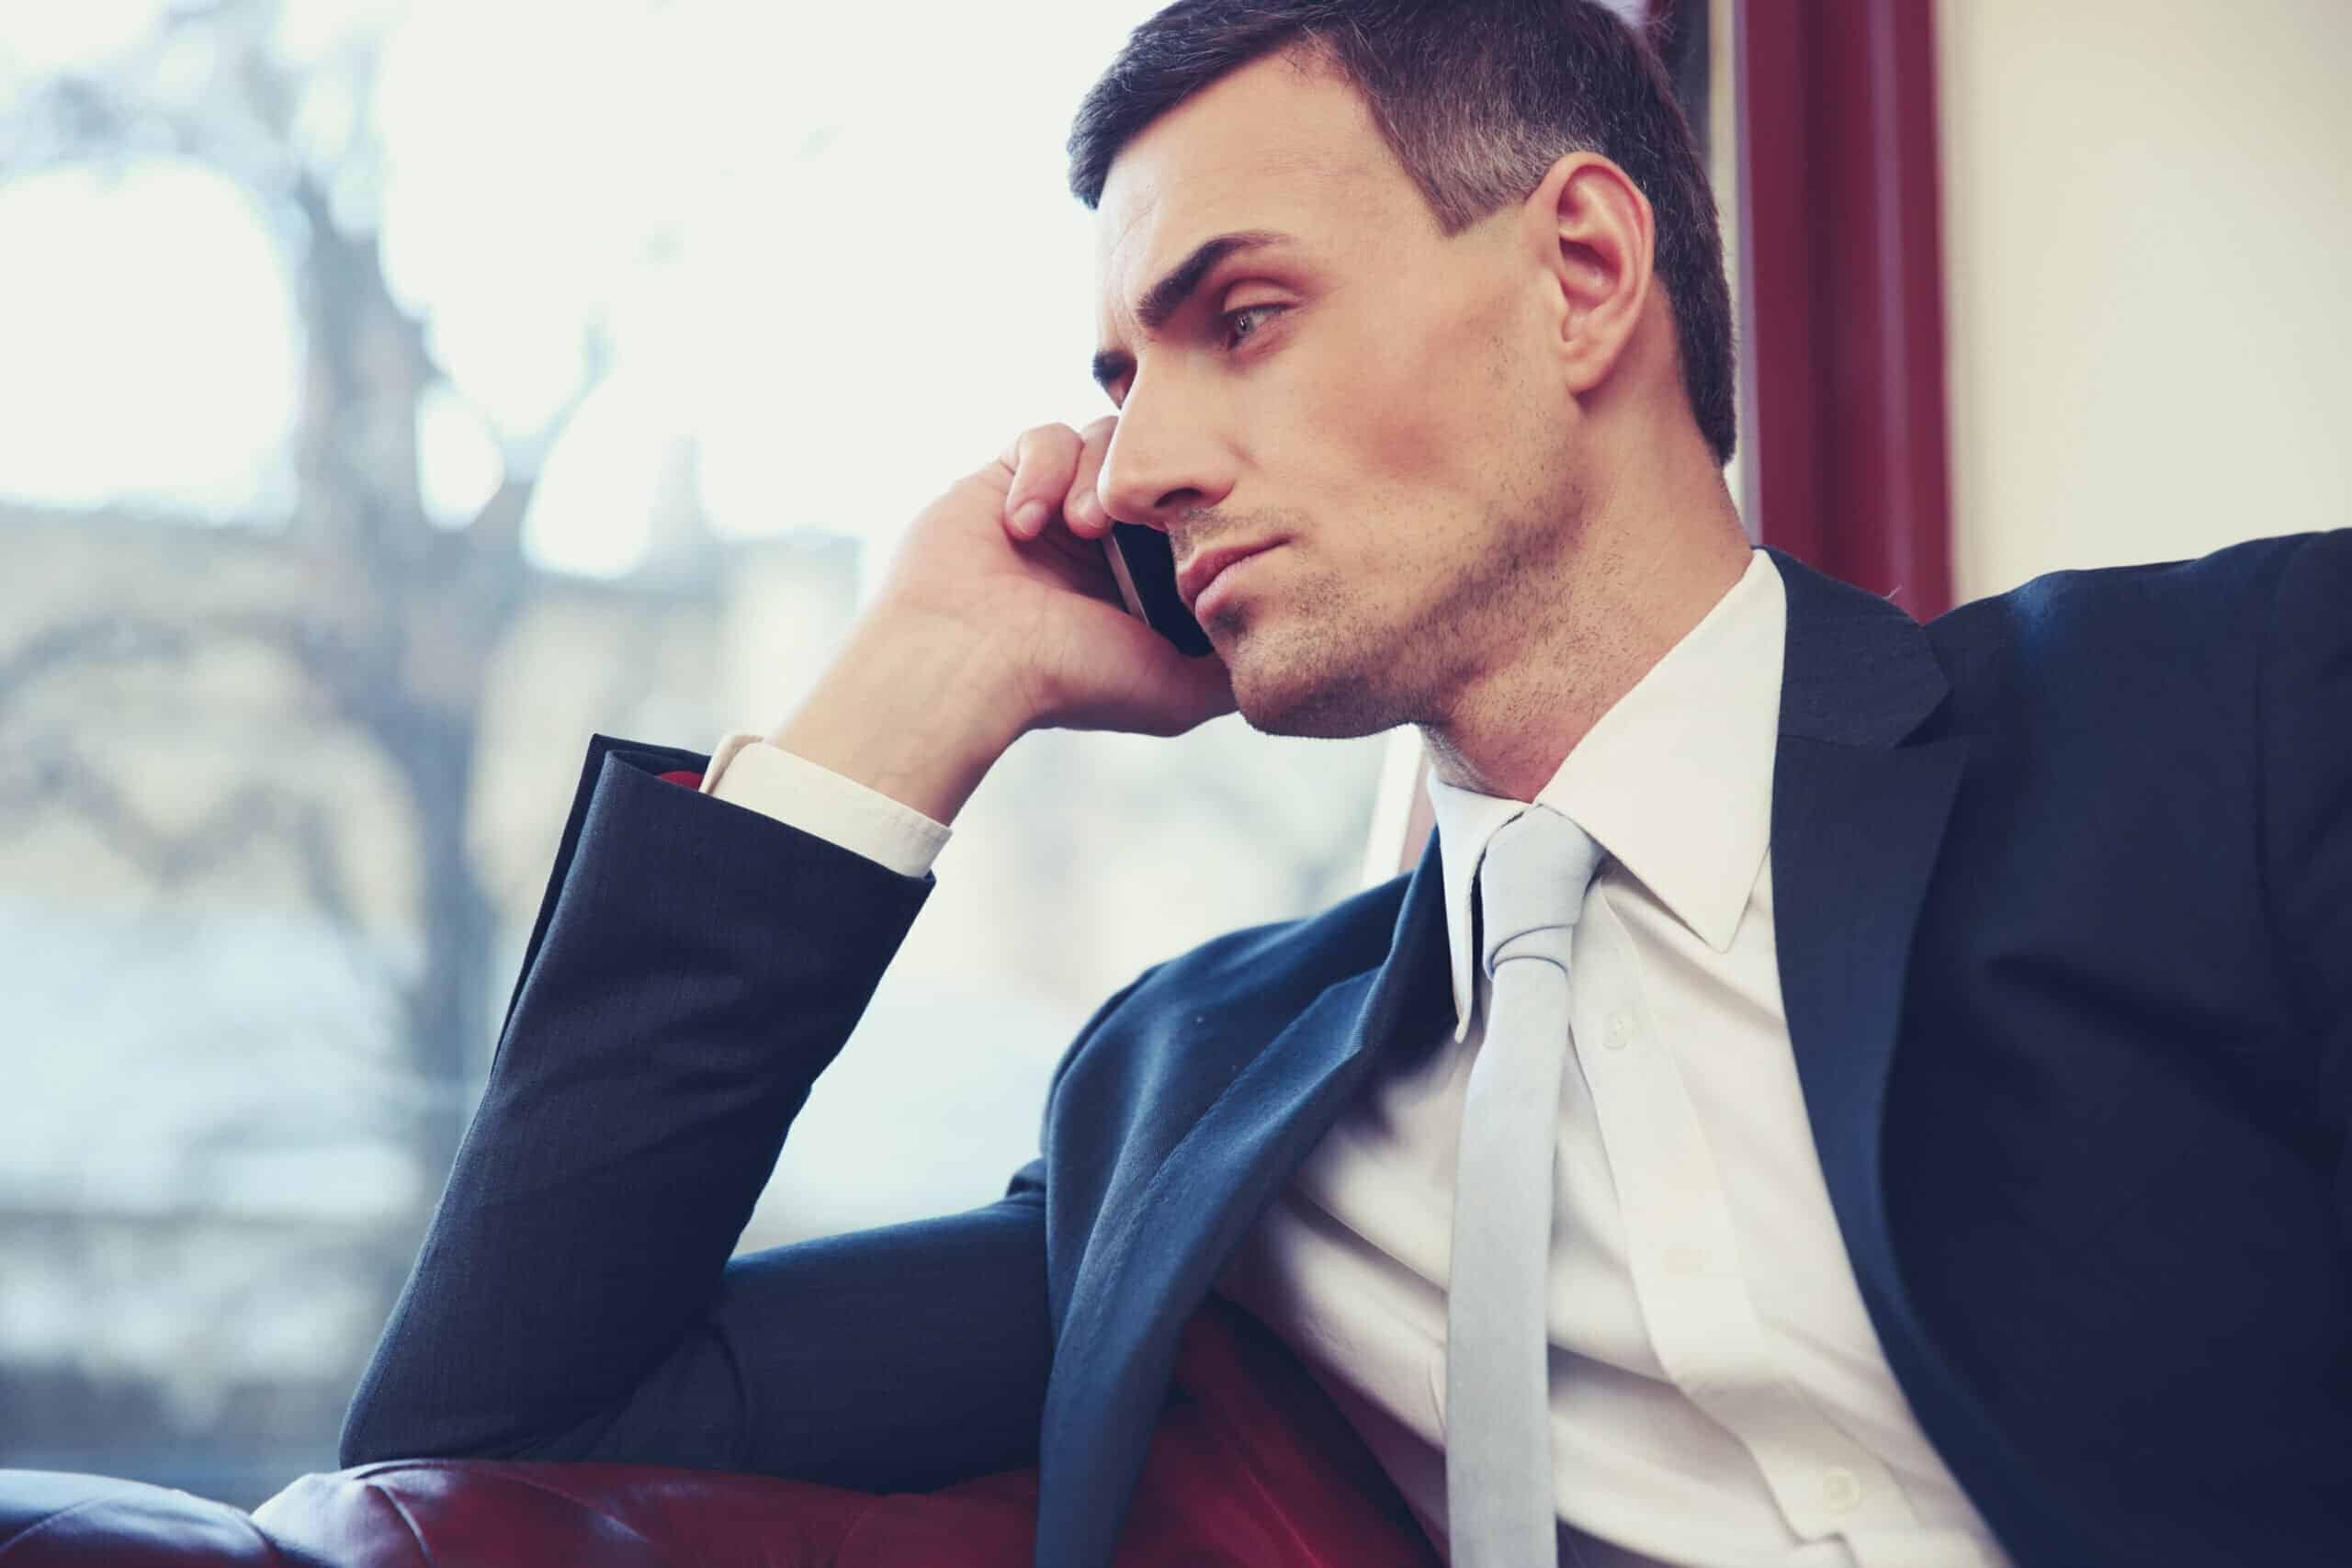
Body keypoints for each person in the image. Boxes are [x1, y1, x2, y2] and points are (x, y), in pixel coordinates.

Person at [339, 2, 2352, 1564]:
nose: (1131, 471)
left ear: (1579, 272)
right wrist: (921, 680)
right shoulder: (1193, 1101)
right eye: (1123, 379)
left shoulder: (2237, 718)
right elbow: (487, 1439)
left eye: (1243, 317)